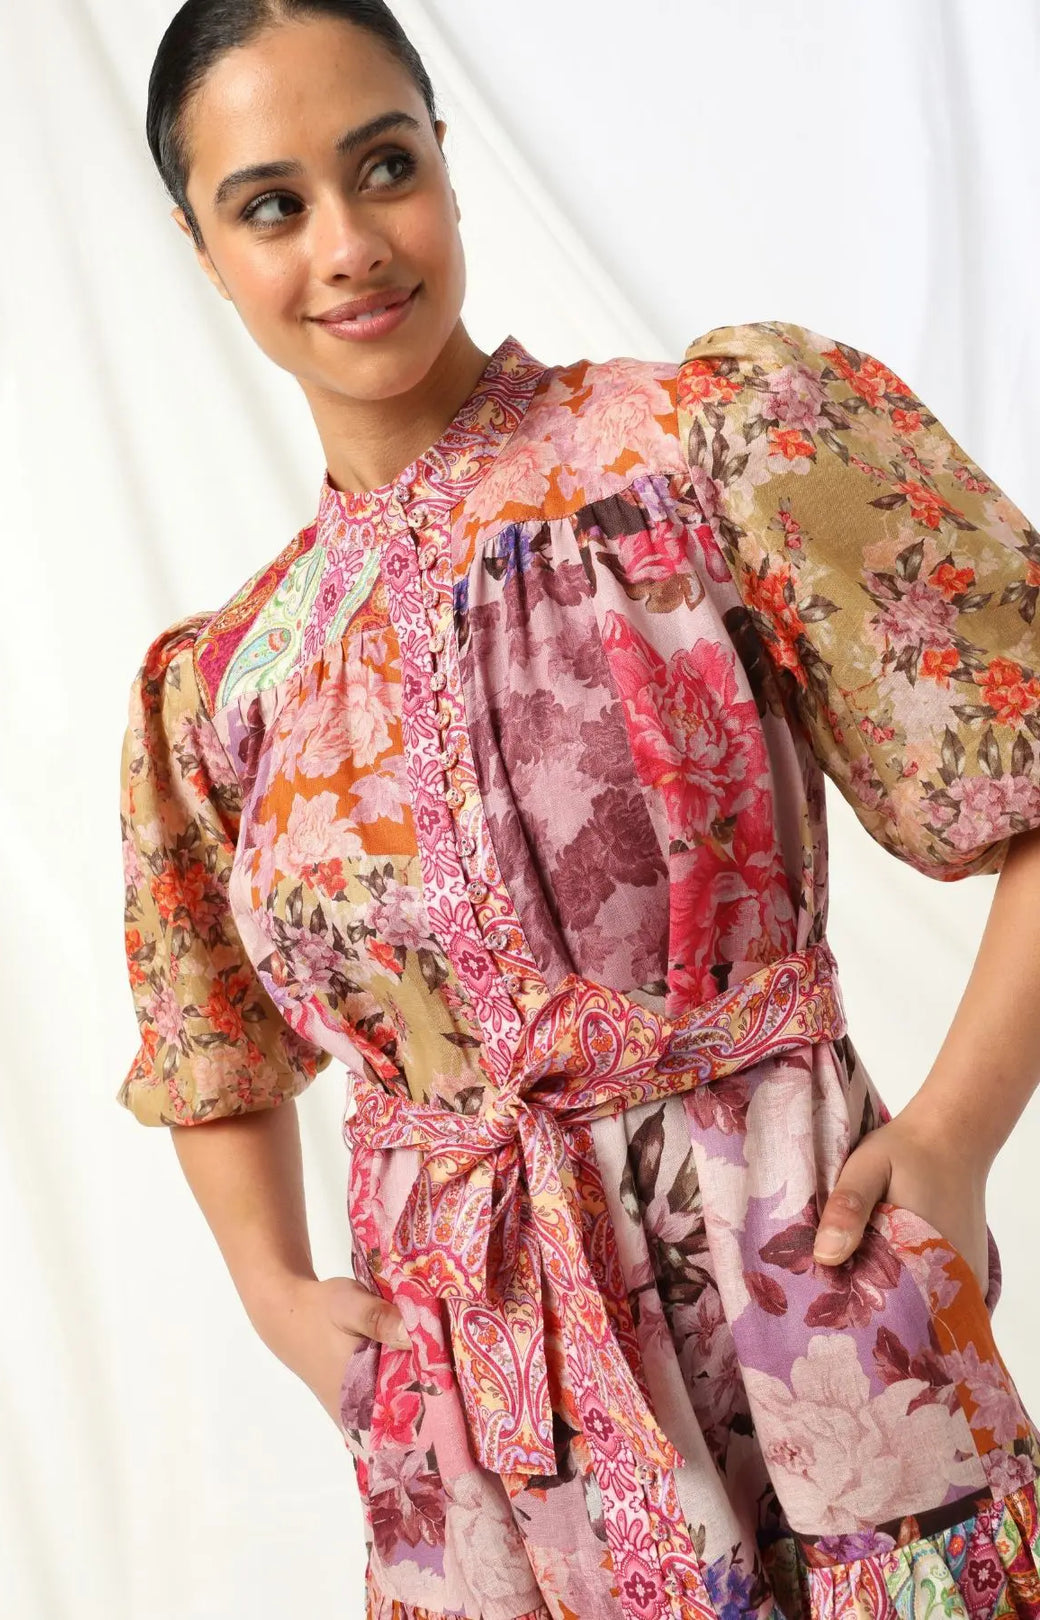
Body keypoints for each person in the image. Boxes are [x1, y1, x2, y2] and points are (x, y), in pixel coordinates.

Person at [119, 2, 1040, 1615]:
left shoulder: (709, 450)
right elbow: (208, 1046)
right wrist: (276, 1297)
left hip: (810, 1321)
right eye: (272, 205)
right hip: (485, 1432)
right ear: (204, 252)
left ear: (445, 163)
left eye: (383, 167)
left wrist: (956, 1138)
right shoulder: (227, 688)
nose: (349, 245)